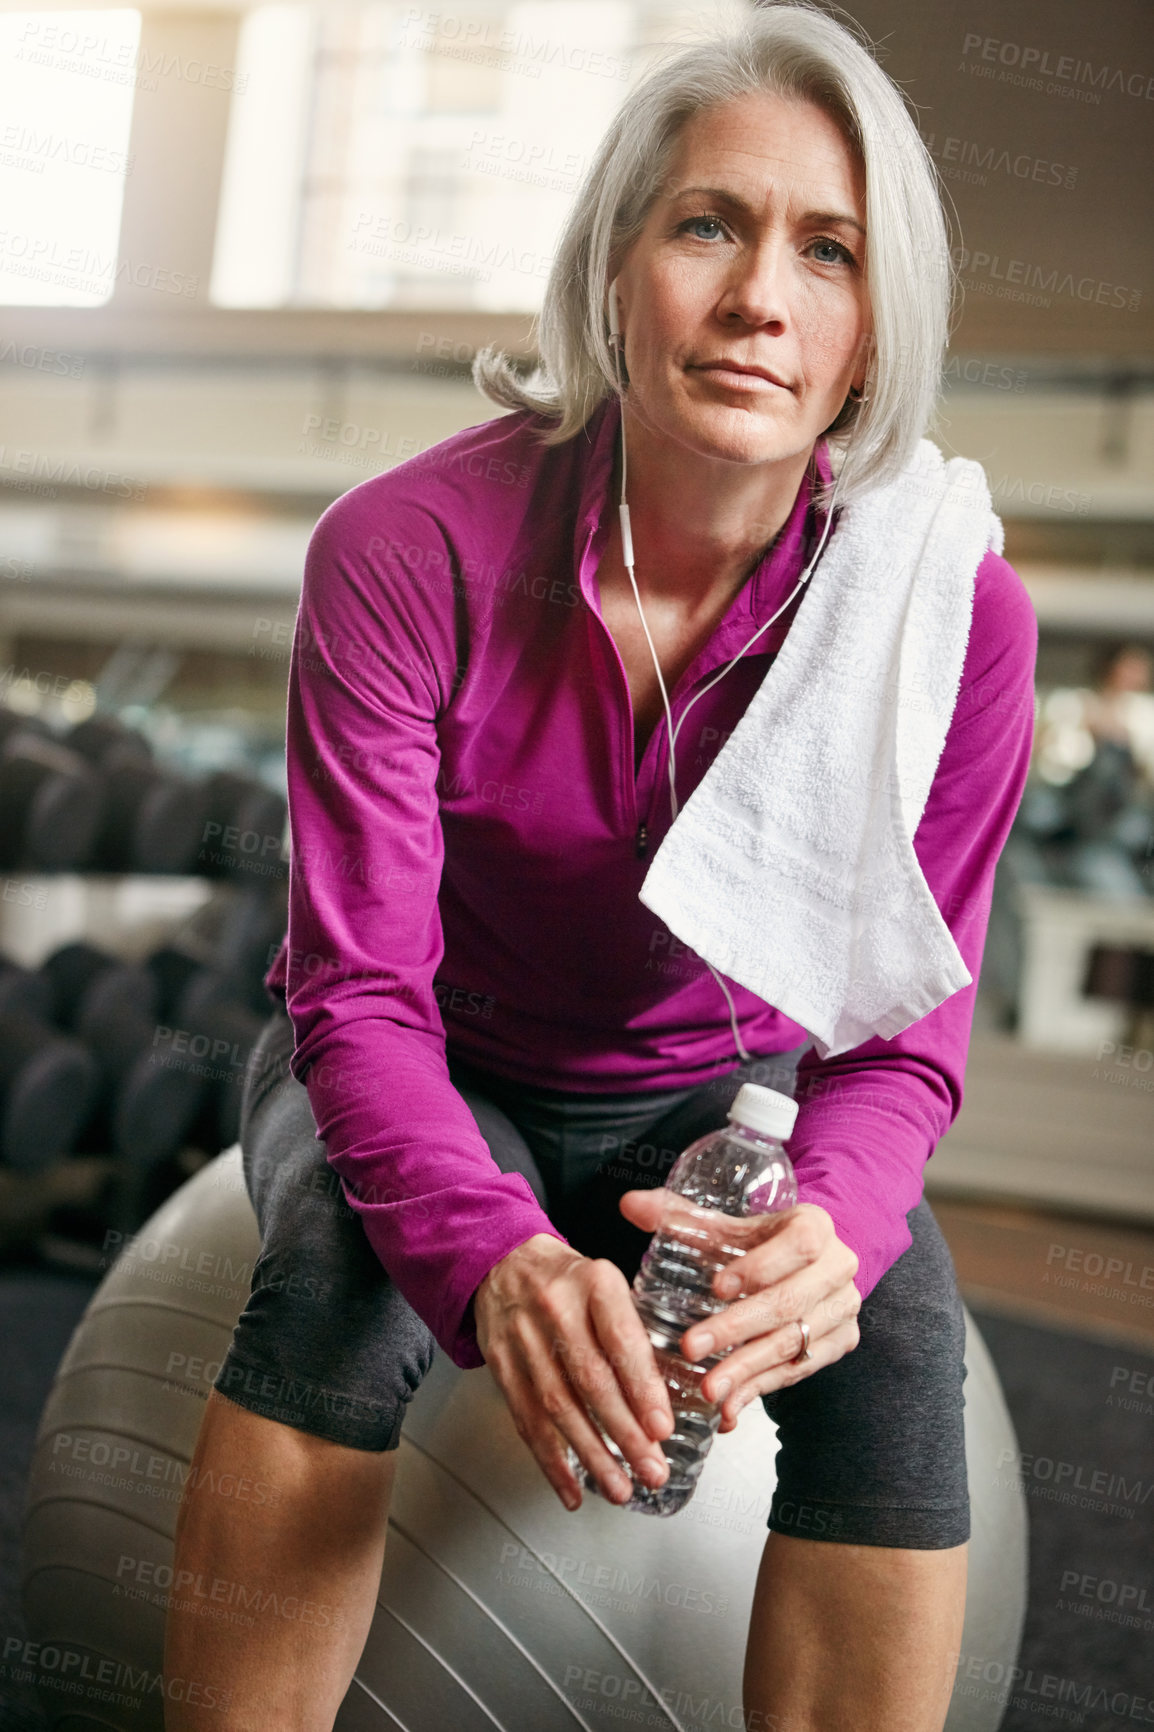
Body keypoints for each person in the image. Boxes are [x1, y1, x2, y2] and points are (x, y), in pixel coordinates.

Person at [165, 5, 1038, 1728]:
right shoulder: (407, 549)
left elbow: (901, 1041)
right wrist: (489, 1248)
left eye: (827, 253)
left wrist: (836, 1235)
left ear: (870, 334)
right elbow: (358, 992)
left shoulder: (951, 617)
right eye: (707, 225)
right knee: (342, 1284)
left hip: (717, 1098)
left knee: (899, 1348)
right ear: (614, 267)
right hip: (437, 1058)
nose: (757, 300)